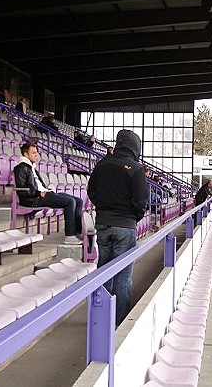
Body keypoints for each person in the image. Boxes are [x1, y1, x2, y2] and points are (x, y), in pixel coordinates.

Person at [87, 130, 148, 325]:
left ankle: (101, 317)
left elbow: (91, 191)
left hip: (103, 224)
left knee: (104, 270)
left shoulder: (102, 164)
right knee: (123, 276)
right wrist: (133, 217)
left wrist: (103, 208)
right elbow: (141, 201)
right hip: (125, 226)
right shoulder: (136, 169)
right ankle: (119, 321)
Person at [13, 142, 83, 245]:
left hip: (43, 193)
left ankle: (77, 232)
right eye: (33, 153)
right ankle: (70, 236)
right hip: (34, 198)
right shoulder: (20, 168)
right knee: (70, 202)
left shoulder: (32, 168)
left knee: (79, 201)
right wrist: (38, 193)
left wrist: (45, 191)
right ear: (25, 154)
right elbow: (22, 189)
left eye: (36, 152)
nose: (36, 155)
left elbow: (39, 184)